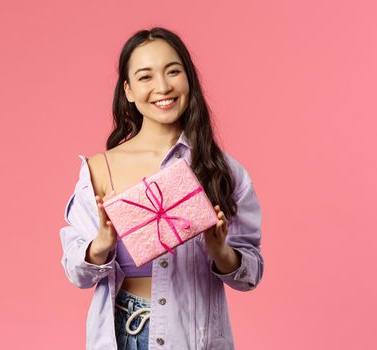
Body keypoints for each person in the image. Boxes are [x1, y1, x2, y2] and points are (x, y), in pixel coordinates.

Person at [59, 27, 264, 350]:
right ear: (127, 90)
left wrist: (221, 251)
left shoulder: (222, 170)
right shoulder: (100, 169)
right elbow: (77, 273)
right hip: (123, 334)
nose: (163, 87)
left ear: (188, 79)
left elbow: (251, 274)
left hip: (194, 337)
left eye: (173, 71)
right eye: (145, 77)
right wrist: (100, 246)